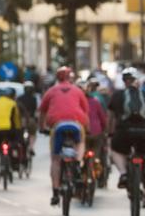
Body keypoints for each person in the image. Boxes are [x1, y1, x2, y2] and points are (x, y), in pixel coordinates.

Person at [108, 67, 145, 208]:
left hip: (124, 132)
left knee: (116, 150)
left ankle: (124, 173)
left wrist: (110, 133)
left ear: (124, 81)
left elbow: (110, 119)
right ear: (137, 81)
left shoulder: (117, 95)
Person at [38, 66, 90, 206]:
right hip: (75, 124)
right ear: (71, 77)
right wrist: (87, 127)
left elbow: (42, 111)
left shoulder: (51, 91)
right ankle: (78, 163)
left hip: (57, 126)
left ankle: (55, 192)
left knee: (55, 160)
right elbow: (85, 110)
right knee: (80, 142)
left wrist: (41, 127)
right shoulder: (78, 91)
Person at [0, 87, 22, 182]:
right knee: (14, 144)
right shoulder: (12, 103)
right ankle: (14, 162)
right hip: (9, 130)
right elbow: (16, 119)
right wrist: (18, 129)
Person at [81, 79, 108, 167]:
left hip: (83, 132)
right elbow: (103, 117)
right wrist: (105, 130)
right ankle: (96, 161)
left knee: (84, 149)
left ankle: (83, 164)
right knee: (98, 148)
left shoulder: (79, 102)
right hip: (96, 131)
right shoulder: (97, 100)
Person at [16, 80, 39, 155]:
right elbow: (36, 110)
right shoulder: (34, 99)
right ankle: (31, 147)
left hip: (20, 120)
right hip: (30, 120)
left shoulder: (19, 98)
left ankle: (19, 146)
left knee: (18, 134)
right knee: (33, 134)